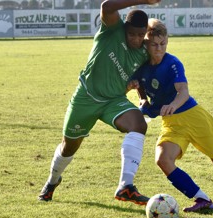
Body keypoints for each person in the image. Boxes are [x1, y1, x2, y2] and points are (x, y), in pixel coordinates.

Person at [38, 0, 161, 206]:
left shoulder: (143, 52)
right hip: (86, 98)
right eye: (132, 34)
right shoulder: (111, 30)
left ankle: (125, 186)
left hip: (114, 101)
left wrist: (139, 93)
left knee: (138, 124)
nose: (136, 39)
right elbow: (107, 6)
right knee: (69, 147)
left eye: (141, 35)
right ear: (125, 29)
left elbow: (141, 75)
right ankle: (52, 181)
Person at [129, 19, 213, 212]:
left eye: (162, 44)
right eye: (154, 44)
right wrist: (143, 100)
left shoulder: (173, 63)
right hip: (172, 124)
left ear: (167, 42)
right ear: (146, 43)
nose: (159, 49)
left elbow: (183, 92)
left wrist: (172, 105)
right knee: (163, 160)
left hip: (194, 118)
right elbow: (141, 87)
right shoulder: (141, 65)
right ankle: (202, 199)